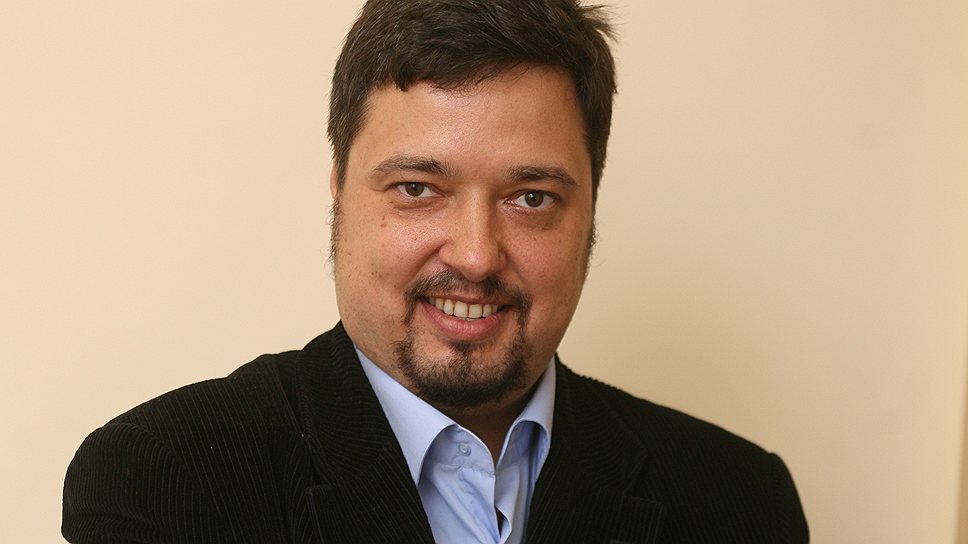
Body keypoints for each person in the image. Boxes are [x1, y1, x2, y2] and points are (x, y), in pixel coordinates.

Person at [62, 1, 809, 542]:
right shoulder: (166, 479)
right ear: (339, 191)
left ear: (591, 209)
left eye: (531, 197)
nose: (476, 255)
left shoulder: (741, 501)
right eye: (418, 189)